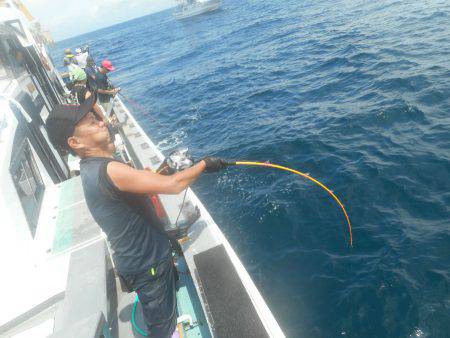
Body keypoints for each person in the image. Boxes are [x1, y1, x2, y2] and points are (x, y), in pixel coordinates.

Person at [45, 98, 228, 338]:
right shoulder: (109, 169)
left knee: (166, 305)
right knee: (161, 329)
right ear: (75, 142)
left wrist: (164, 169)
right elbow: (175, 186)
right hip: (148, 267)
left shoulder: (96, 166)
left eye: (97, 118)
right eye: (92, 122)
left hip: (143, 261)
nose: (101, 123)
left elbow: (139, 184)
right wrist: (205, 164)